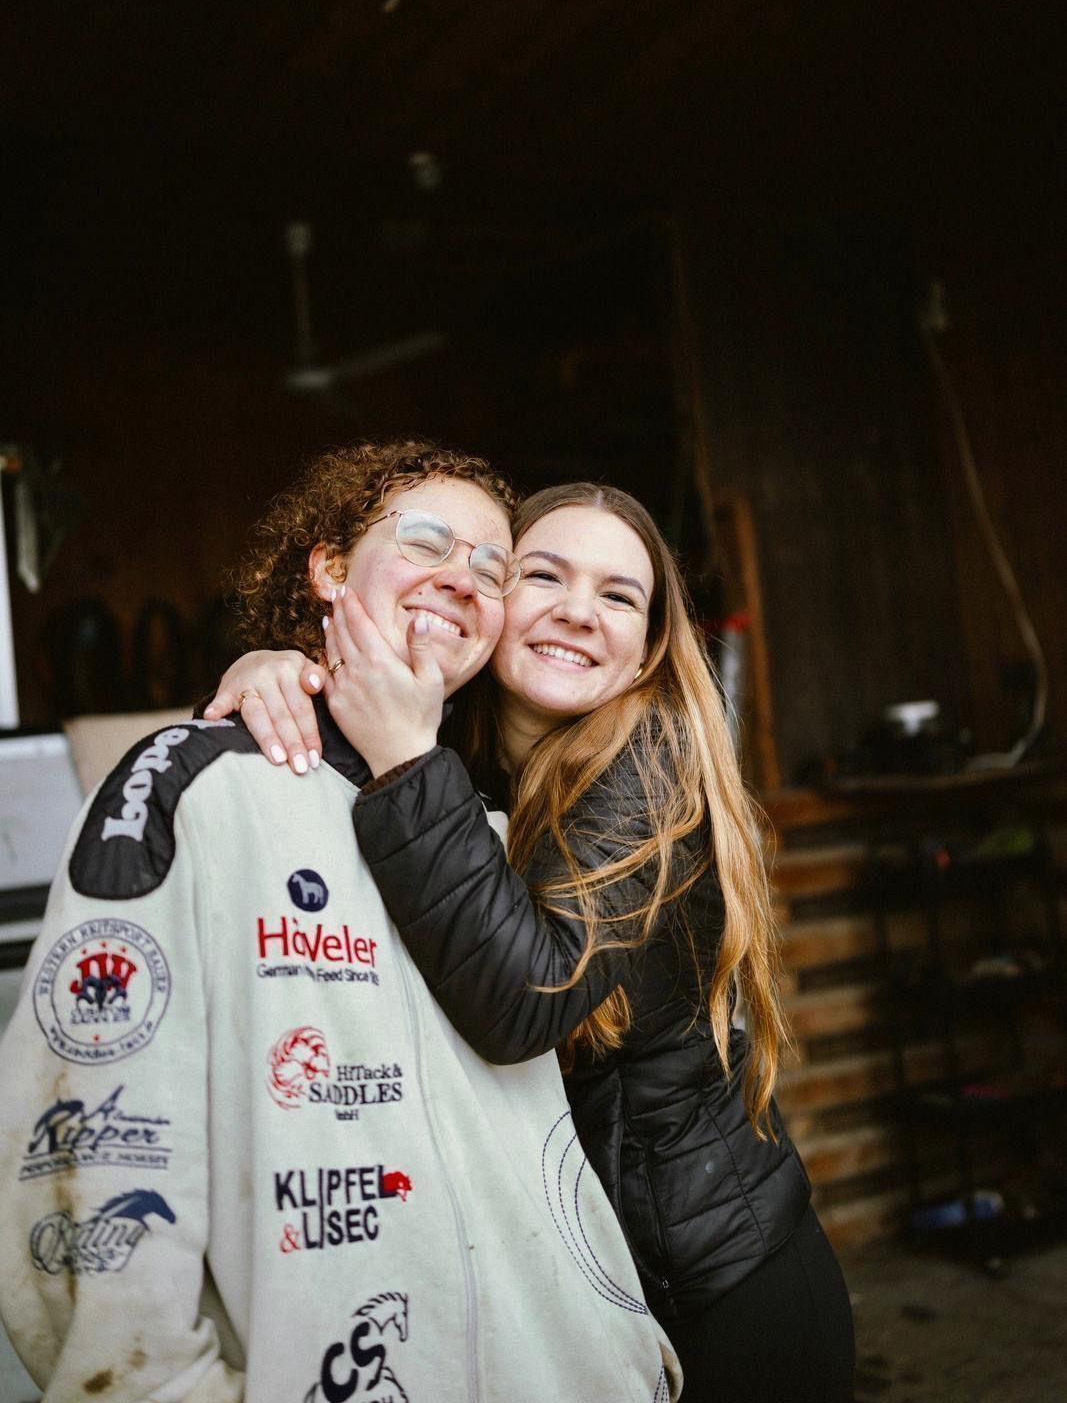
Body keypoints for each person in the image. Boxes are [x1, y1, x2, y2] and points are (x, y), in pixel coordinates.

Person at [0, 444, 680, 1403]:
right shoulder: (199, 786)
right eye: (426, 542)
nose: (462, 578)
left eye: (493, 567)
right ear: (326, 568)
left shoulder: (489, 822)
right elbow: (82, 1157)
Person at [207, 478, 856, 1403]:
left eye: (619, 596)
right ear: (489, 604)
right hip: (589, 1297)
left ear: (644, 651)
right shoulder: (456, 747)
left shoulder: (648, 765)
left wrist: (404, 756)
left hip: (725, 1300)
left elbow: (527, 999)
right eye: (541, 575)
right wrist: (281, 670)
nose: (579, 613)